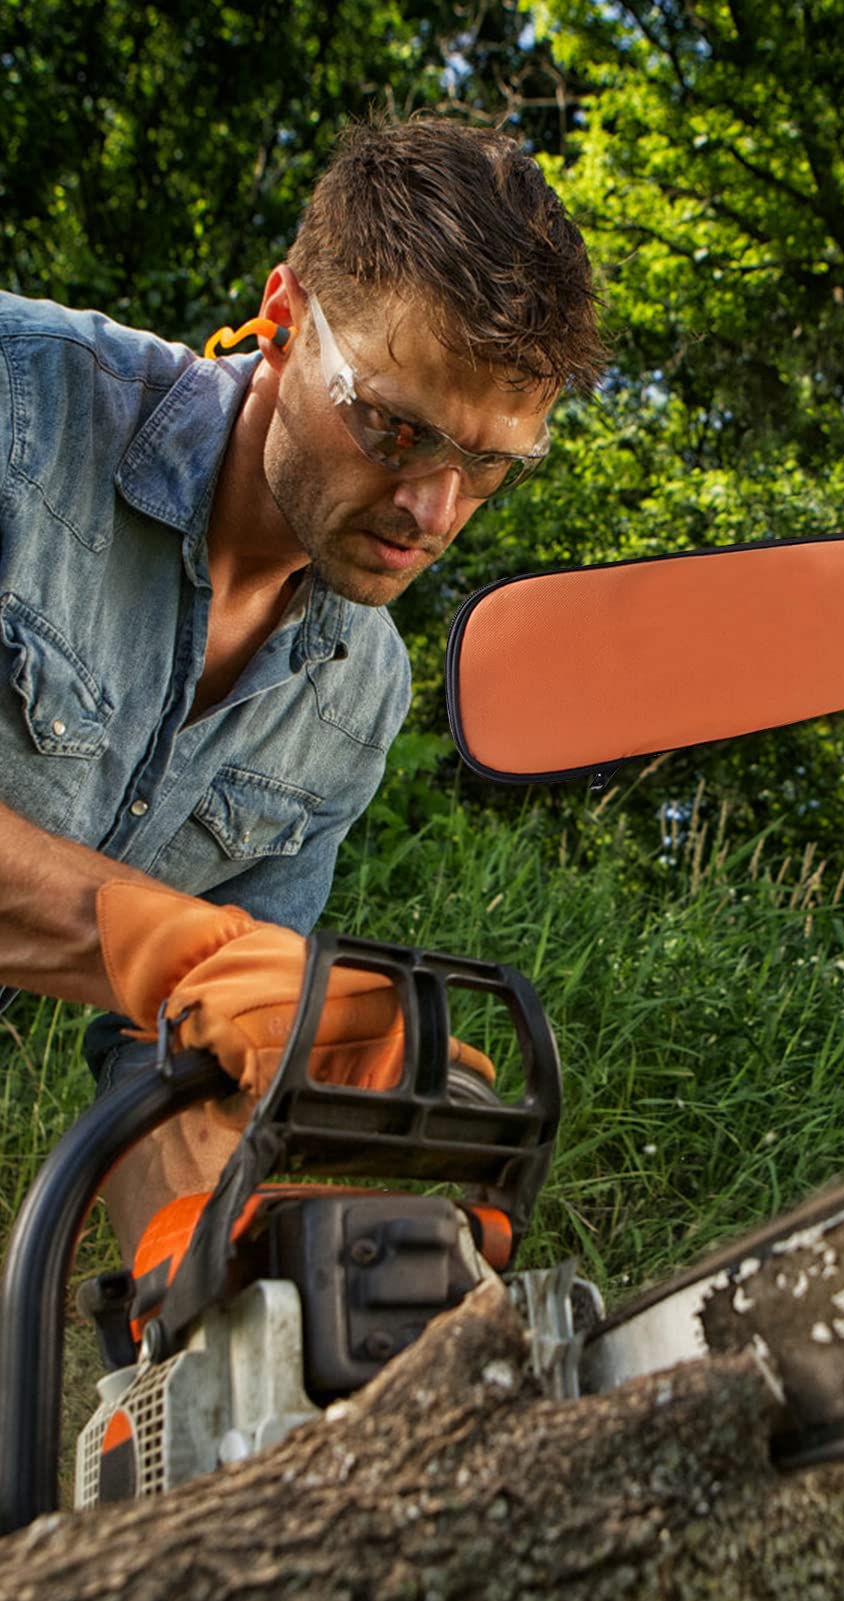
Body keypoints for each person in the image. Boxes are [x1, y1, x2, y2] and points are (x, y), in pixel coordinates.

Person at [0, 114, 606, 1260]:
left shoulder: (351, 702)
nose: (433, 511)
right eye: (395, 427)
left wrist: (203, 1268)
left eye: (487, 465)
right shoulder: (22, 409)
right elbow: (192, 976)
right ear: (281, 323)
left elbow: (177, 1064)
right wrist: (174, 948)